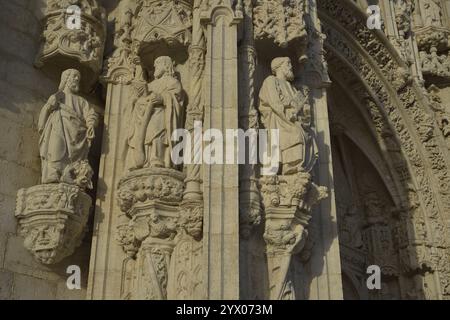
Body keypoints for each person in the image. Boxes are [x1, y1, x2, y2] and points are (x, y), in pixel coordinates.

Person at [38, 69, 98, 184]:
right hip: (59, 124)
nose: (76, 79)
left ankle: (70, 174)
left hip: (77, 133)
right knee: (56, 146)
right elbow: (46, 111)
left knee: (72, 158)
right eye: (74, 76)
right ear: (65, 79)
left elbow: (91, 115)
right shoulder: (58, 96)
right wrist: (50, 105)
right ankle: (54, 172)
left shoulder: (82, 101)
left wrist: (90, 124)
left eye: (78, 78)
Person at [259, 57, 316, 175]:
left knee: (306, 135)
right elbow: (274, 102)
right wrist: (289, 112)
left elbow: (299, 109)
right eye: (288, 64)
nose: (291, 67)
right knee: (295, 133)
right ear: (279, 67)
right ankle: (289, 166)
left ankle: (297, 165)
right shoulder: (270, 80)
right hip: (279, 119)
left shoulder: (292, 87)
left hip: (293, 119)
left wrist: (304, 106)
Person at [126, 56, 185, 170]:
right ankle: (145, 160)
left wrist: (163, 98)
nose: (155, 66)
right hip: (147, 115)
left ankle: (157, 158)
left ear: (165, 65)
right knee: (146, 135)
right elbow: (142, 98)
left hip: (162, 113)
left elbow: (177, 98)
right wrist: (139, 100)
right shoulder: (151, 85)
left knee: (158, 133)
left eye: (157, 64)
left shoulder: (173, 82)